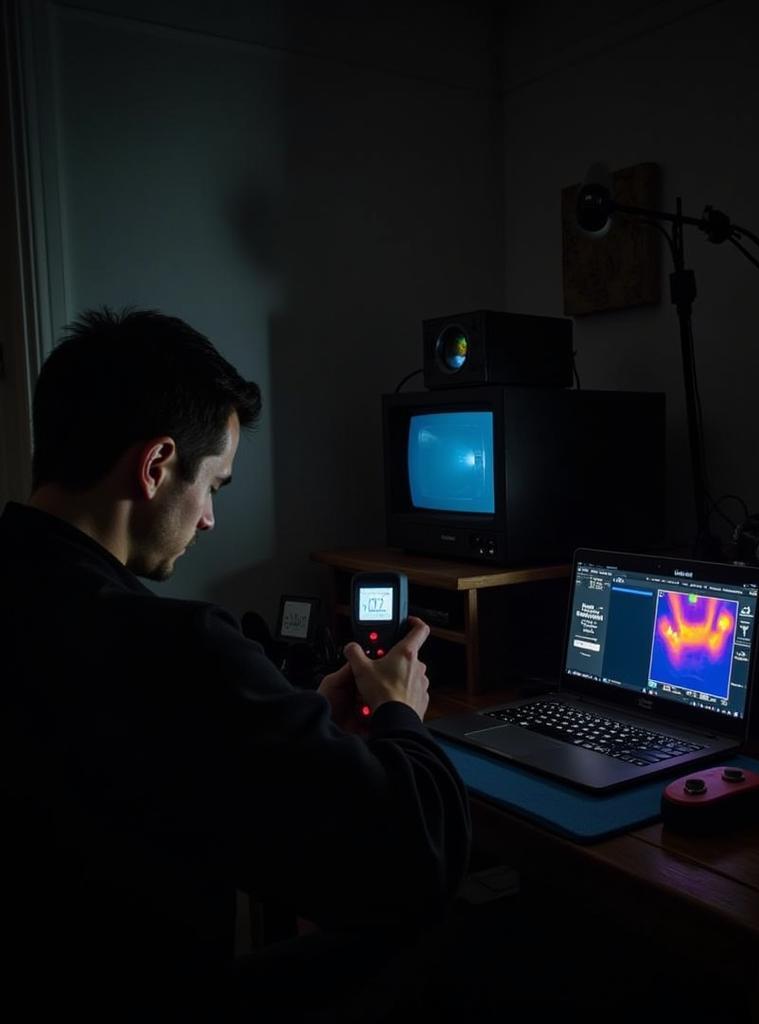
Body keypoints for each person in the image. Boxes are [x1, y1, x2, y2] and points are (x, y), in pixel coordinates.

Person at [0, 308, 471, 1021]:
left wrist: (300, 715)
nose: (211, 519)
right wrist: (402, 709)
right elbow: (418, 854)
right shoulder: (173, 648)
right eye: (214, 486)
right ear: (157, 466)